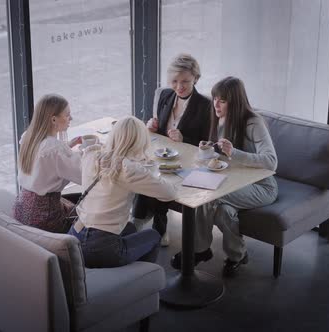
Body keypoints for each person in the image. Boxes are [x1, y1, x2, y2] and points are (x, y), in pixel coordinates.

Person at [171, 76, 279, 277]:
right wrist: (206, 150)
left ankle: (199, 249)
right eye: (214, 99)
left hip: (262, 186)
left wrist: (234, 153)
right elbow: (220, 159)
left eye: (222, 100)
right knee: (224, 211)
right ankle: (237, 255)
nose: (216, 104)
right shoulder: (219, 119)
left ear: (235, 101)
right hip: (234, 183)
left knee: (209, 194)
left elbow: (271, 162)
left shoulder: (253, 122)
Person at [69, 116, 178, 268]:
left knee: (131, 228)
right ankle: (139, 279)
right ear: (139, 141)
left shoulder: (91, 155)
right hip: (98, 248)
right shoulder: (129, 169)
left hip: (74, 237)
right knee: (153, 236)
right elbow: (169, 194)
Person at [132, 53, 211, 246]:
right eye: (175, 81)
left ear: (196, 79)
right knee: (144, 170)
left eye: (185, 81)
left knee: (161, 177)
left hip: (188, 163)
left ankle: (156, 225)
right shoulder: (165, 95)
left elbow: (207, 142)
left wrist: (185, 139)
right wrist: (152, 126)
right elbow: (161, 130)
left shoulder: (205, 105)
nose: (179, 86)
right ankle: (140, 220)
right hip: (162, 155)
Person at [13, 94, 83, 233]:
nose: (71, 118)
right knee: (92, 216)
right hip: (46, 219)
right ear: (54, 119)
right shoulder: (55, 149)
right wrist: (92, 153)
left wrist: (67, 147)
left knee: (77, 201)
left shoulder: (29, 137)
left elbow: (45, 162)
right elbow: (84, 175)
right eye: (68, 115)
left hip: (23, 211)